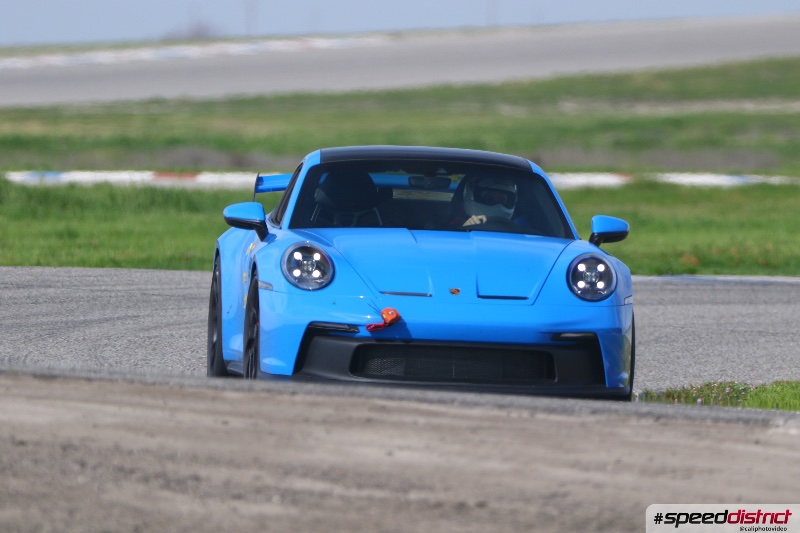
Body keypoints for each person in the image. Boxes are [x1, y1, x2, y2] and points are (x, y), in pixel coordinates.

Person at [449, 176, 519, 227]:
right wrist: (465, 229)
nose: (497, 206)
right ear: (471, 193)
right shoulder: (456, 219)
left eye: (502, 200)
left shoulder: (519, 226)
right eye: (489, 198)